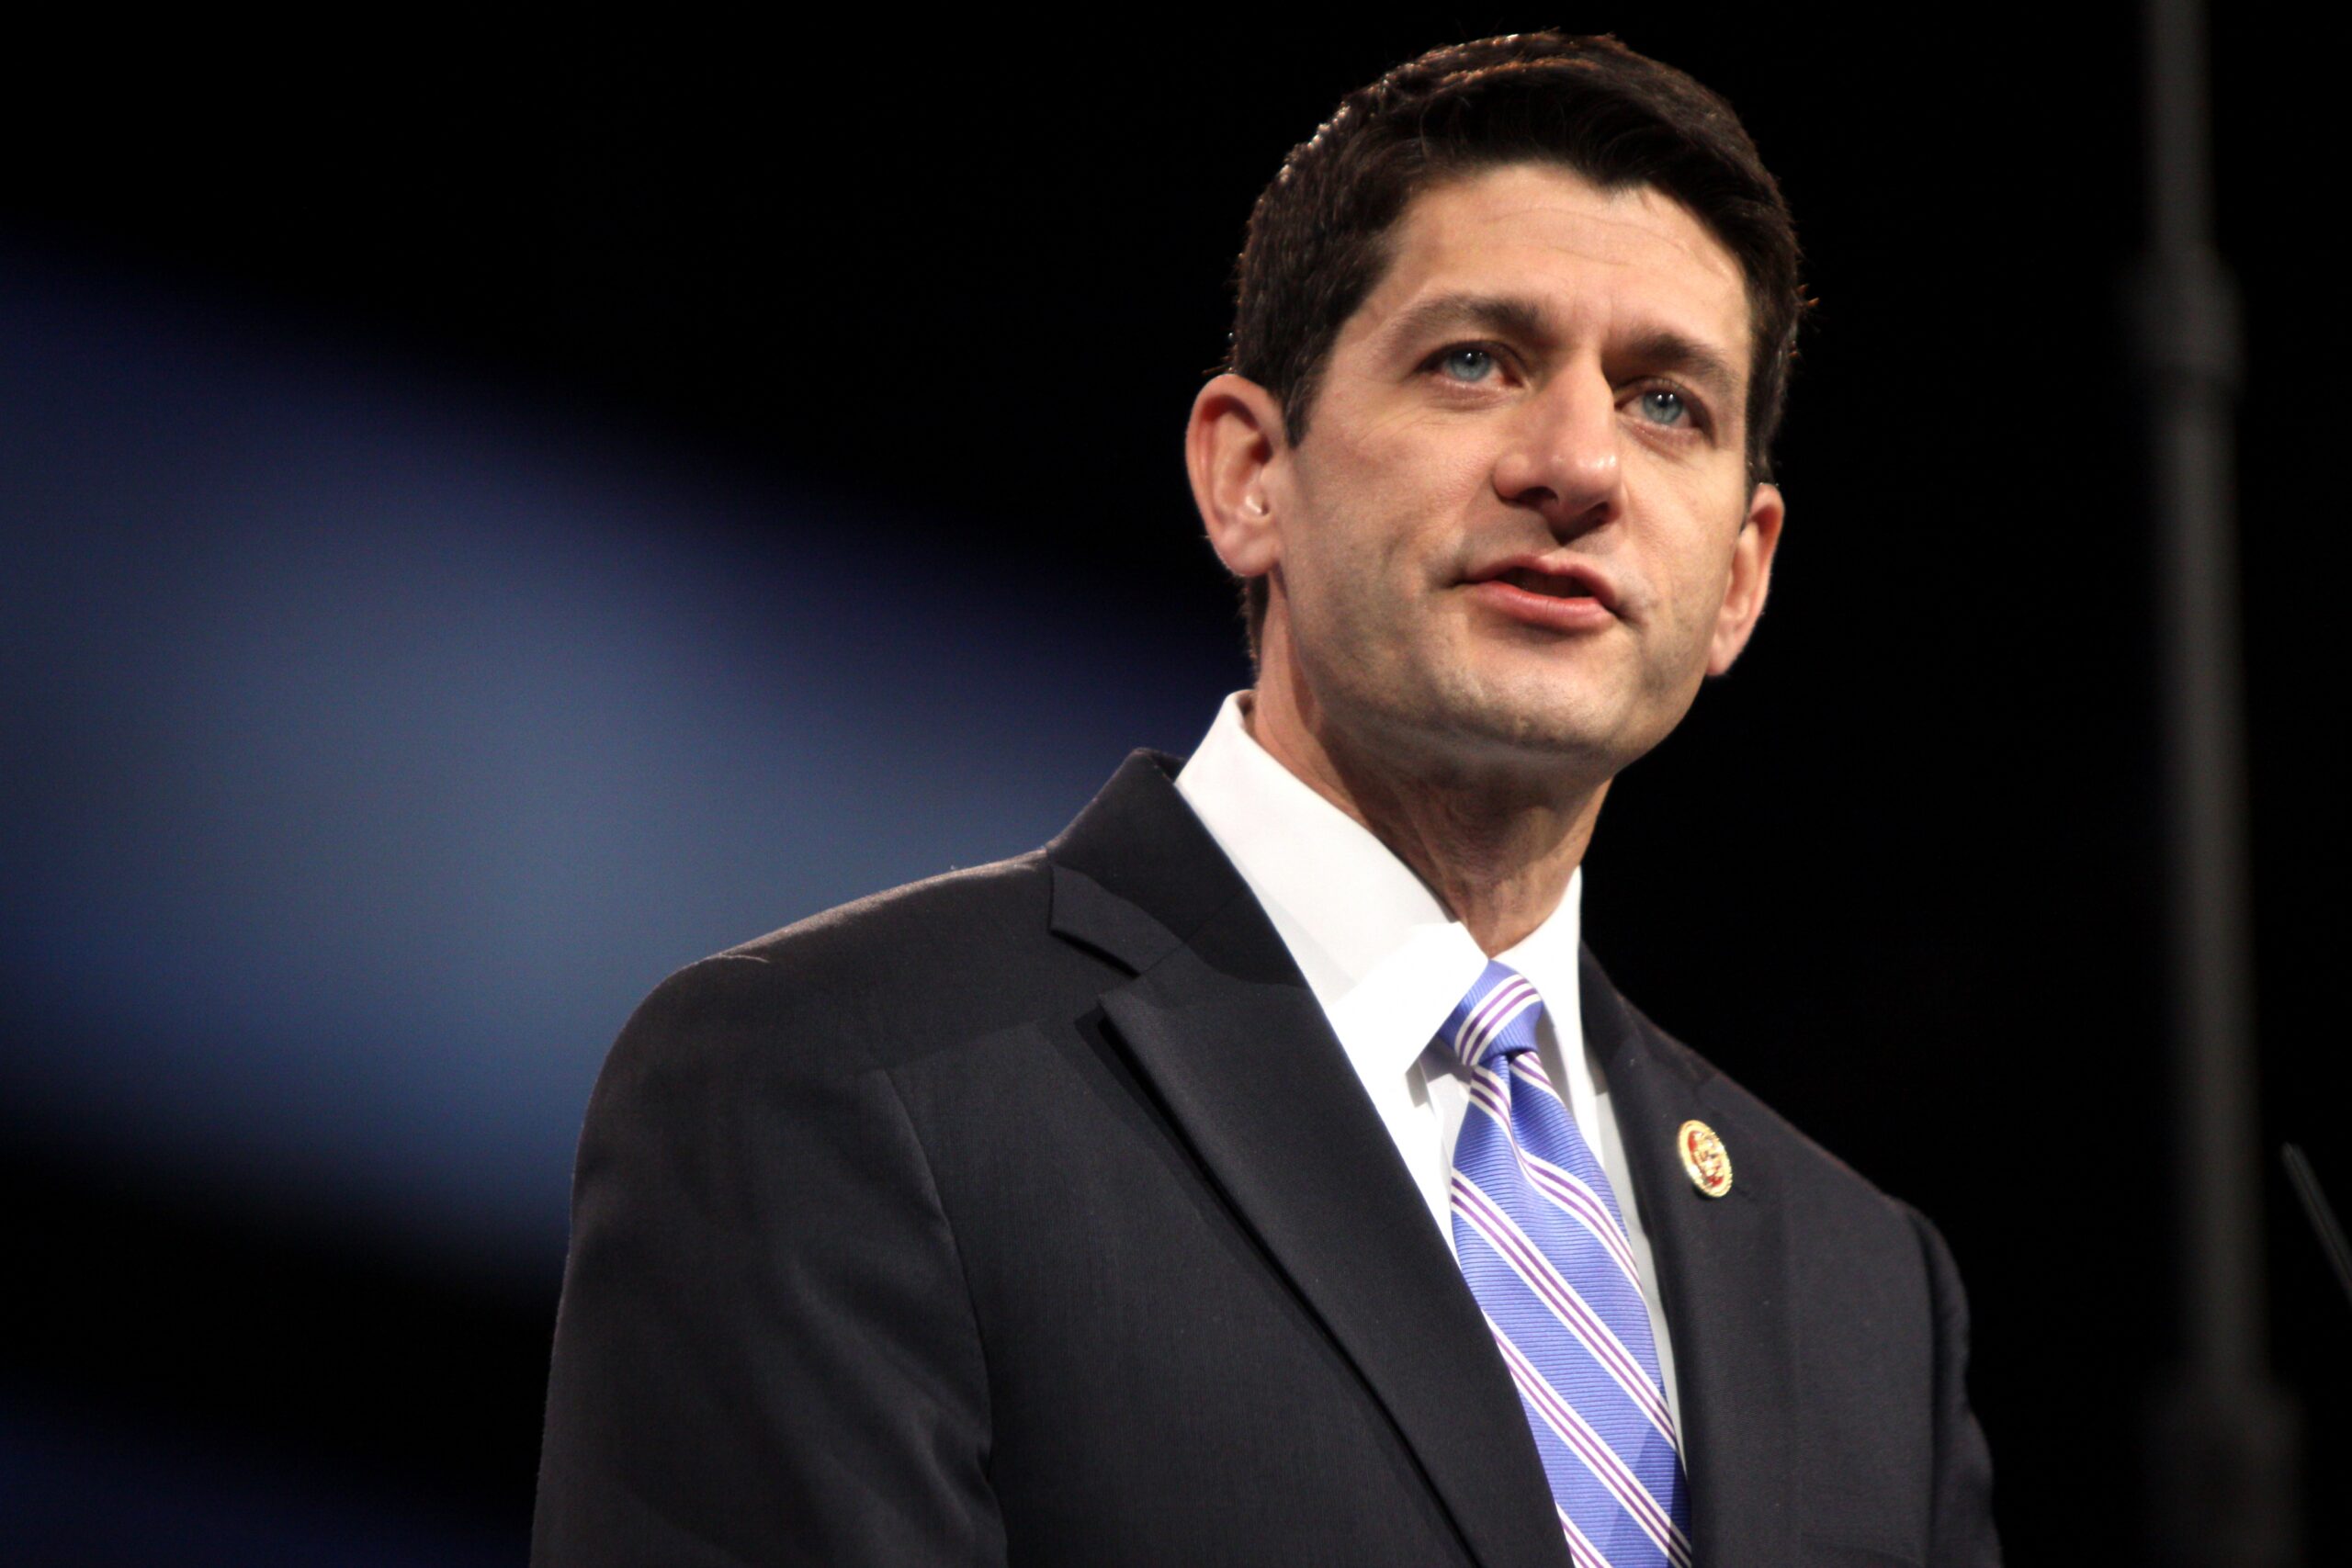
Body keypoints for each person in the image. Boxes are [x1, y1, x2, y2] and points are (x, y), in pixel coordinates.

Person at [533, 32, 1999, 1568]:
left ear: (1741, 578)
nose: (1579, 465)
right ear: (1249, 474)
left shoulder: (1867, 1297)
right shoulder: (837, 1081)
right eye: (1476, 361)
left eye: (1668, 404)